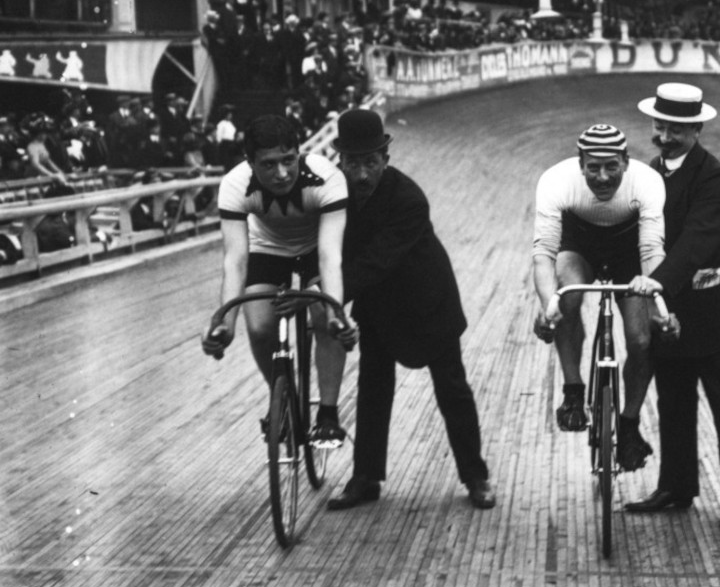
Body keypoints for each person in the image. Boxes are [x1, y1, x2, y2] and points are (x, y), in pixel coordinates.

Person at [323, 109, 496, 511]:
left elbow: (375, 261)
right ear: (340, 162)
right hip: (377, 304)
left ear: (386, 158)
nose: (362, 174)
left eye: (370, 163)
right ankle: (365, 478)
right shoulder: (334, 197)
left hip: (428, 302)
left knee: (452, 390)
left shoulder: (409, 198)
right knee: (372, 389)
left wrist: (328, 295)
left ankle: (476, 476)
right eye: (353, 164)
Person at [624, 83, 720, 529]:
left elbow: (698, 239)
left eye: (678, 128)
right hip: (666, 307)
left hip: (709, 307)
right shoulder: (646, 173)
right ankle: (676, 487)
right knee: (673, 401)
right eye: (661, 125)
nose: (666, 134)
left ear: (697, 128)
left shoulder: (715, 177)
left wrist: (654, 283)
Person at [201, 113, 356, 442]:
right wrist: (224, 321)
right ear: (250, 162)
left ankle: (328, 413)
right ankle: (280, 397)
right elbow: (236, 259)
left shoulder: (327, 177)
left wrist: (335, 310)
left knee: (324, 315)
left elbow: (330, 255)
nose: (282, 173)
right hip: (267, 248)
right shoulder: (234, 184)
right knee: (259, 326)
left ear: (300, 152)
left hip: (315, 246)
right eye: (268, 165)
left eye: (288, 160)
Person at [531, 123, 667, 471]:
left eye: (612, 167)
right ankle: (573, 391)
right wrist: (549, 304)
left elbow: (651, 251)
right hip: (580, 246)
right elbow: (544, 253)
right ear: (580, 164)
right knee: (566, 299)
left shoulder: (648, 181)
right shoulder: (555, 181)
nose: (603, 177)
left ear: (626, 161)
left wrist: (660, 303)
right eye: (593, 167)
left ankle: (629, 424)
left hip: (629, 251)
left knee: (640, 339)